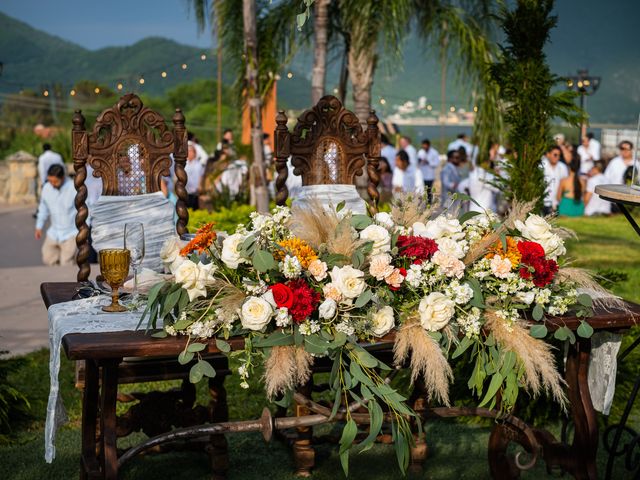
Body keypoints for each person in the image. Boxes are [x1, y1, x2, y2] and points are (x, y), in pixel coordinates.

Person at [35, 164, 77, 266]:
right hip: (53, 232)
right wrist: (39, 226)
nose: (52, 184)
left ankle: (66, 280)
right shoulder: (46, 188)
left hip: (71, 233)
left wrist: (84, 231)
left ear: (62, 178)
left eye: (55, 181)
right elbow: (43, 208)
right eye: (50, 181)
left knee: (66, 263)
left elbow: (85, 209)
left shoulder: (74, 188)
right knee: (48, 257)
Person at [541, 145, 568, 214]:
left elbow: (565, 185)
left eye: (559, 155)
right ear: (548, 154)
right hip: (543, 203)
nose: (557, 157)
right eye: (555, 155)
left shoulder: (563, 167)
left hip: (557, 203)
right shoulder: (542, 166)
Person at [417, 138, 440, 203]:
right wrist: (420, 161)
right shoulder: (420, 152)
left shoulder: (434, 152)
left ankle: (429, 203)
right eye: (423, 146)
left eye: (425, 146)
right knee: (420, 190)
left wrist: (428, 162)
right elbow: (417, 162)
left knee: (429, 190)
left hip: (430, 175)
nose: (424, 147)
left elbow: (436, 163)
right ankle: (421, 203)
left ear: (428, 145)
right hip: (422, 174)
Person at [184, 141, 204, 209]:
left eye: (191, 151)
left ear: (195, 153)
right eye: (188, 151)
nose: (189, 153)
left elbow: (201, 176)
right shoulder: (184, 164)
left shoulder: (199, 165)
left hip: (195, 192)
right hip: (185, 191)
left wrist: (200, 186)